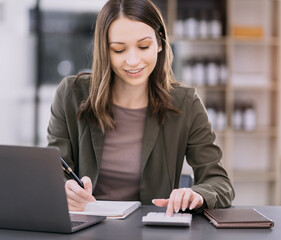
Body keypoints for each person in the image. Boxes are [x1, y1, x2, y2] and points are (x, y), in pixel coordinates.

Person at [47, 0, 234, 216]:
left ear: (160, 43)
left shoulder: (186, 103)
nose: (133, 60)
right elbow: (54, 169)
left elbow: (219, 182)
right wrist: (64, 188)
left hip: (152, 229)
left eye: (144, 46)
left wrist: (199, 195)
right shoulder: (70, 94)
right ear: (104, 51)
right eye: (118, 50)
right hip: (86, 226)